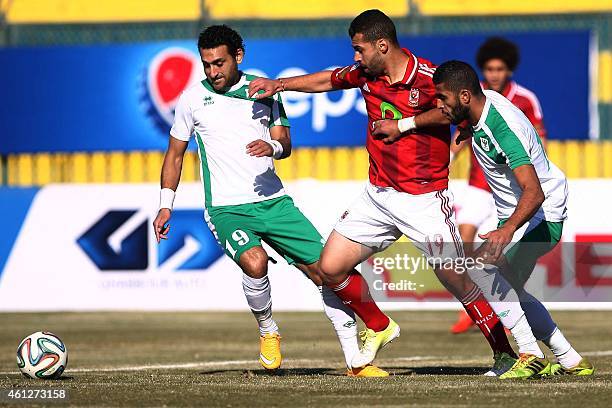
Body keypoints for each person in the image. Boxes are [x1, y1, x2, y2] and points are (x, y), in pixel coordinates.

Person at [249, 9, 517, 374]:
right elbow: (327, 80)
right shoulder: (365, 74)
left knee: (454, 275)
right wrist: (279, 85)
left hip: (424, 199)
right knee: (329, 267)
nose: (355, 58)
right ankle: (378, 325)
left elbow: (453, 109)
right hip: (377, 196)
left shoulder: (427, 77)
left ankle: (505, 352)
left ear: (382, 45)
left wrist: (404, 124)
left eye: (359, 50)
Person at [152, 25, 387, 377]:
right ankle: (268, 330)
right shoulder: (190, 99)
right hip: (227, 209)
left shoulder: (264, 91)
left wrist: (272, 147)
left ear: (238, 57)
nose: (213, 72)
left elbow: (285, 143)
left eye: (219, 63)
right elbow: (175, 155)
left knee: (326, 272)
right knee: (255, 262)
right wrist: (165, 203)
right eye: (207, 65)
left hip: (274, 203)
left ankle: (356, 362)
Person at [432, 60, 594, 378]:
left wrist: (506, 230)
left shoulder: (500, 129)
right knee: (511, 289)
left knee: (482, 269)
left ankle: (530, 354)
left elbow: (534, 192)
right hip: (523, 211)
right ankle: (571, 359)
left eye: (443, 99)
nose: (440, 106)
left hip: (541, 215)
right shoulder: (481, 103)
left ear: (464, 96)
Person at [450, 37, 549, 334]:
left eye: (500, 68)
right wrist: (446, 163)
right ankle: (473, 306)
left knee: (498, 252)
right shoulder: (472, 96)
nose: (494, 74)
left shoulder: (525, 99)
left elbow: (539, 139)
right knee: (462, 242)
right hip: (478, 184)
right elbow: (460, 140)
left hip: (509, 190)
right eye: (489, 69)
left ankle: (508, 307)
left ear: (509, 69)